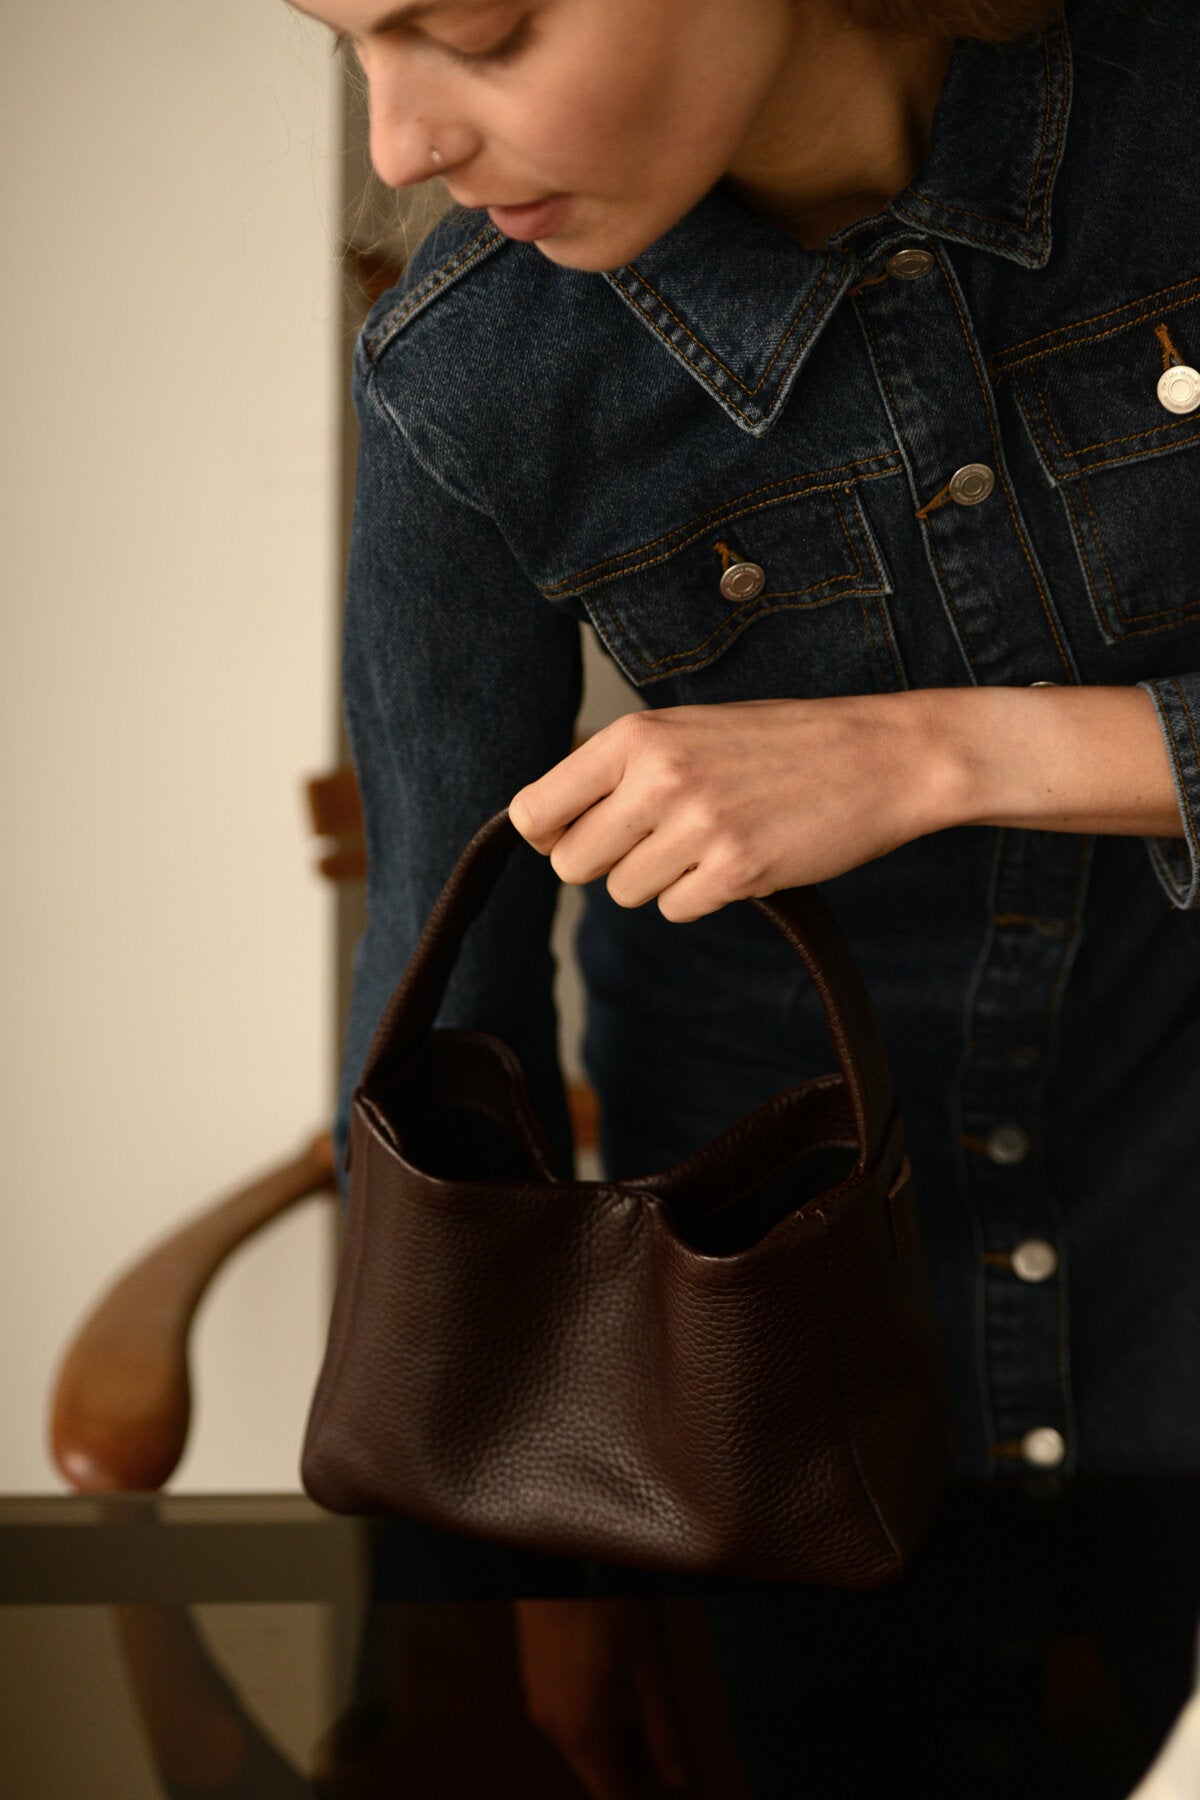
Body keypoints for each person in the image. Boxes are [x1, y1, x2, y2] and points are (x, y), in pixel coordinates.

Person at [286, 0, 1200, 1787]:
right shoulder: (463, 377)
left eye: (474, 30)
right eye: (347, 50)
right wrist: (533, 1552)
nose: (402, 145)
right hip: (763, 1388)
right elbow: (441, 995)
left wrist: (941, 755)